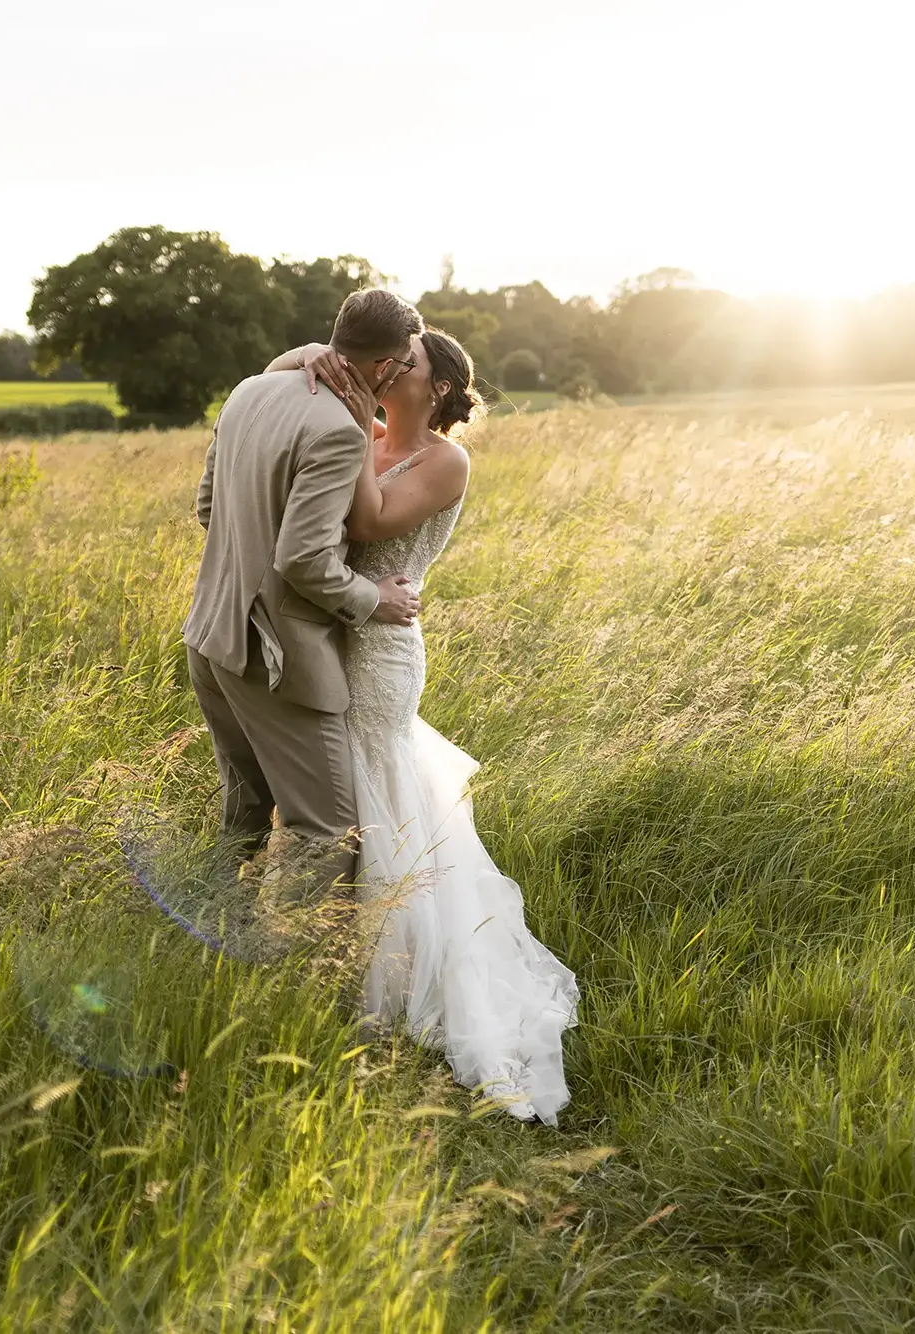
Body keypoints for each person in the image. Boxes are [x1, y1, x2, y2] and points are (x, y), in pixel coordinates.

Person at [264, 325, 581, 1124]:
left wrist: (343, 419)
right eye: (384, 359)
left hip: (382, 648)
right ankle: (313, 950)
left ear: (437, 388)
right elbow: (276, 375)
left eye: (404, 364)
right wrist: (317, 359)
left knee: (373, 792)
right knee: (327, 789)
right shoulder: (360, 430)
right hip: (332, 635)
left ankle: (377, 980)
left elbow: (365, 530)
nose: (387, 370)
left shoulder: (444, 459)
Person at [182, 289, 425, 898]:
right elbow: (303, 559)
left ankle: (223, 930)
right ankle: (304, 985)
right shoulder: (341, 432)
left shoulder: (248, 392)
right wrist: (375, 599)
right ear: (380, 367)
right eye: (398, 366)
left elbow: (208, 507)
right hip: (276, 656)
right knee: (327, 830)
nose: (396, 377)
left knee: (245, 812)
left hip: (209, 636)